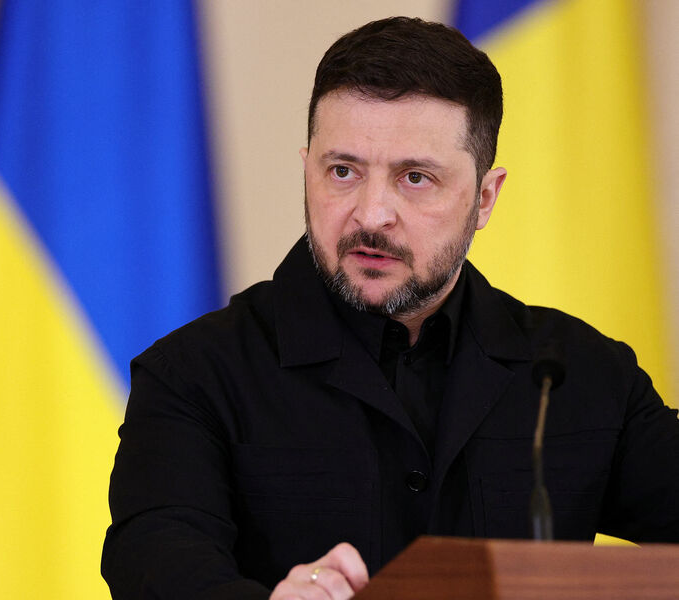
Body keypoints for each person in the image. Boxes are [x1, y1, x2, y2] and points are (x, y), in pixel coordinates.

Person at [102, 16, 679, 600]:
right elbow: (154, 556)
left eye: (415, 178)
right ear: (307, 171)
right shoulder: (193, 374)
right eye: (343, 171)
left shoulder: (581, 375)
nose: (371, 214)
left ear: (485, 198)